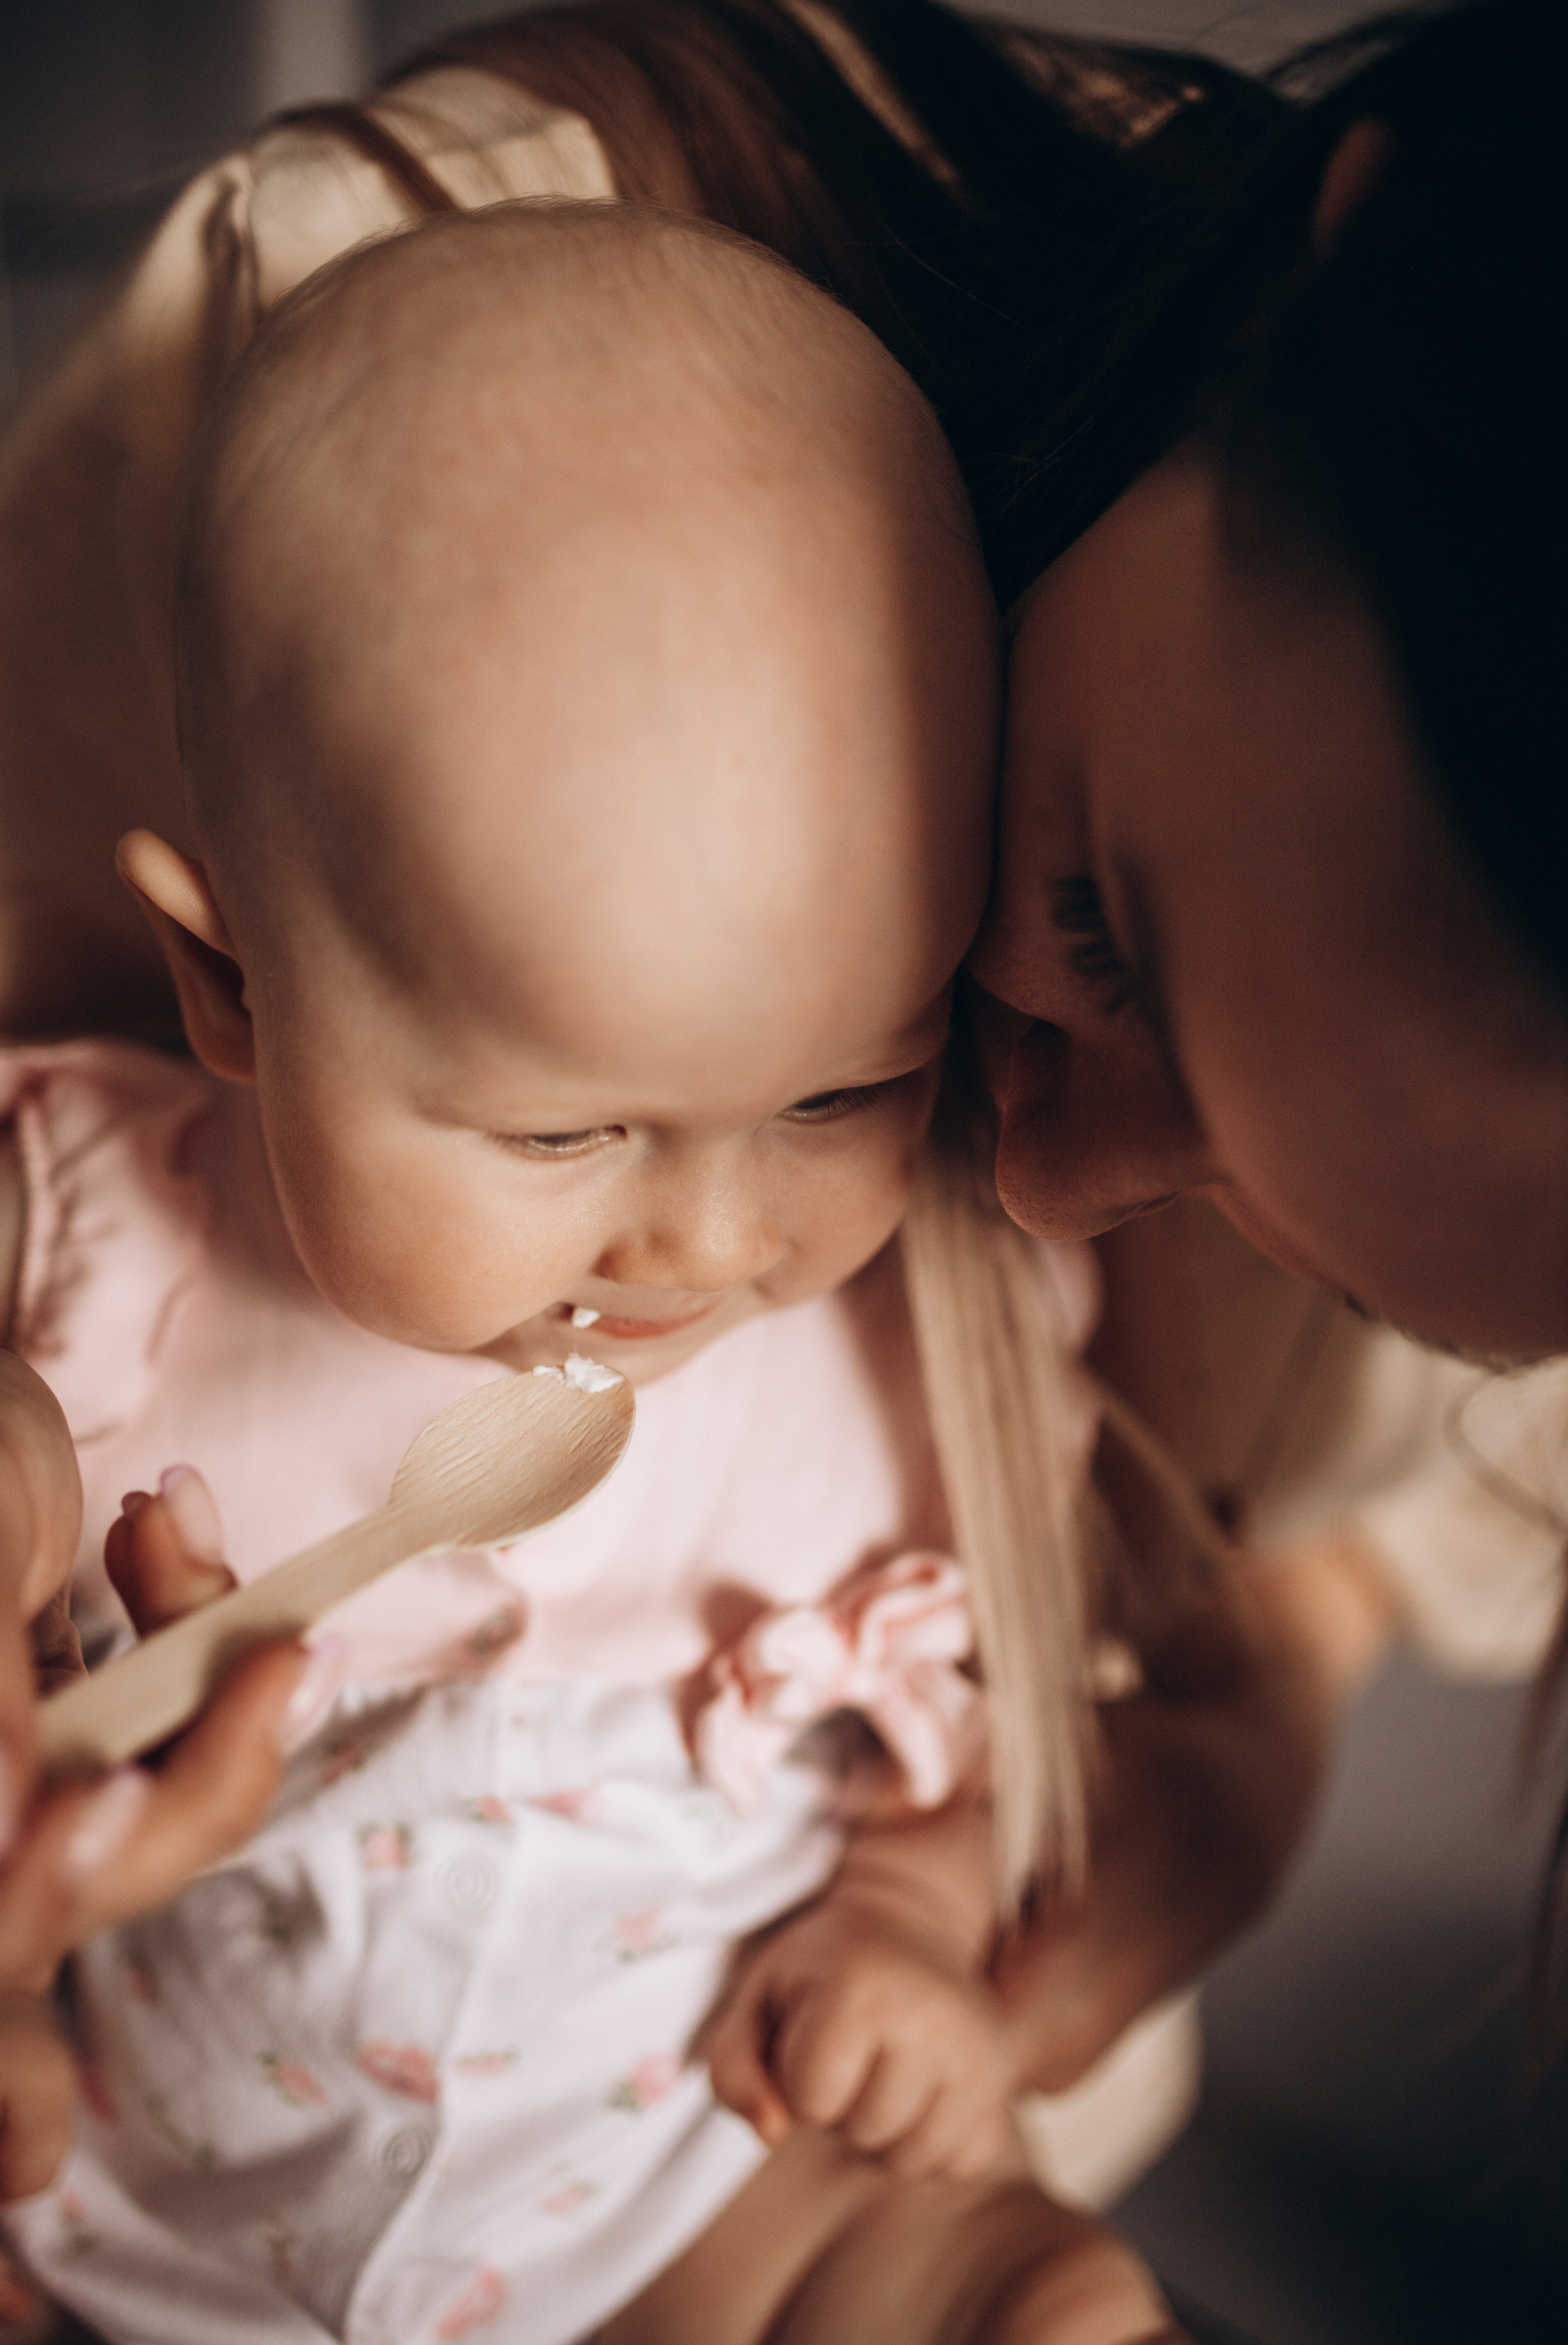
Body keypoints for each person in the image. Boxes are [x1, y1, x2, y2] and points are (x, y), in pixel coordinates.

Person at [0, 195, 1214, 2344]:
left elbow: (984, 1747)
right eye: (562, 1132)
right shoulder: (100, 1205)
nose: (713, 1240)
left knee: (1037, 2296)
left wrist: (907, 1930)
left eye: (846, 1088)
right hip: (137, 2220)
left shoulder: (921, 1348)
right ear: (234, 985)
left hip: (687, 2196)